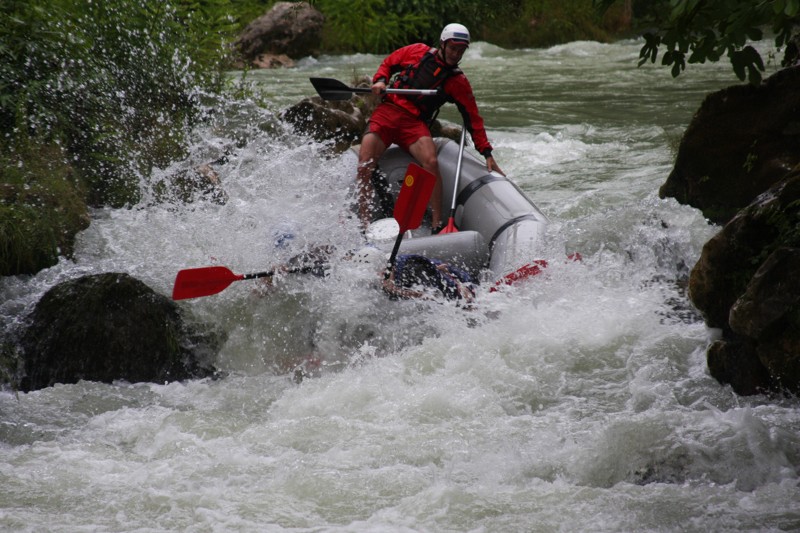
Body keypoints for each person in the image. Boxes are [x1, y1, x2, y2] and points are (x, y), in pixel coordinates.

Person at [355, 23, 505, 232]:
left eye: (461, 50)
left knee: (431, 161)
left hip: (414, 124)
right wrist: (381, 80)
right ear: (443, 44)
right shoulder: (417, 51)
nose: (456, 54)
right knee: (365, 161)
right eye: (453, 48)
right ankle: (364, 221)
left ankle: (437, 223)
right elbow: (389, 63)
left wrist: (486, 152)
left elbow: (473, 118)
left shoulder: (457, 82)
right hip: (388, 112)